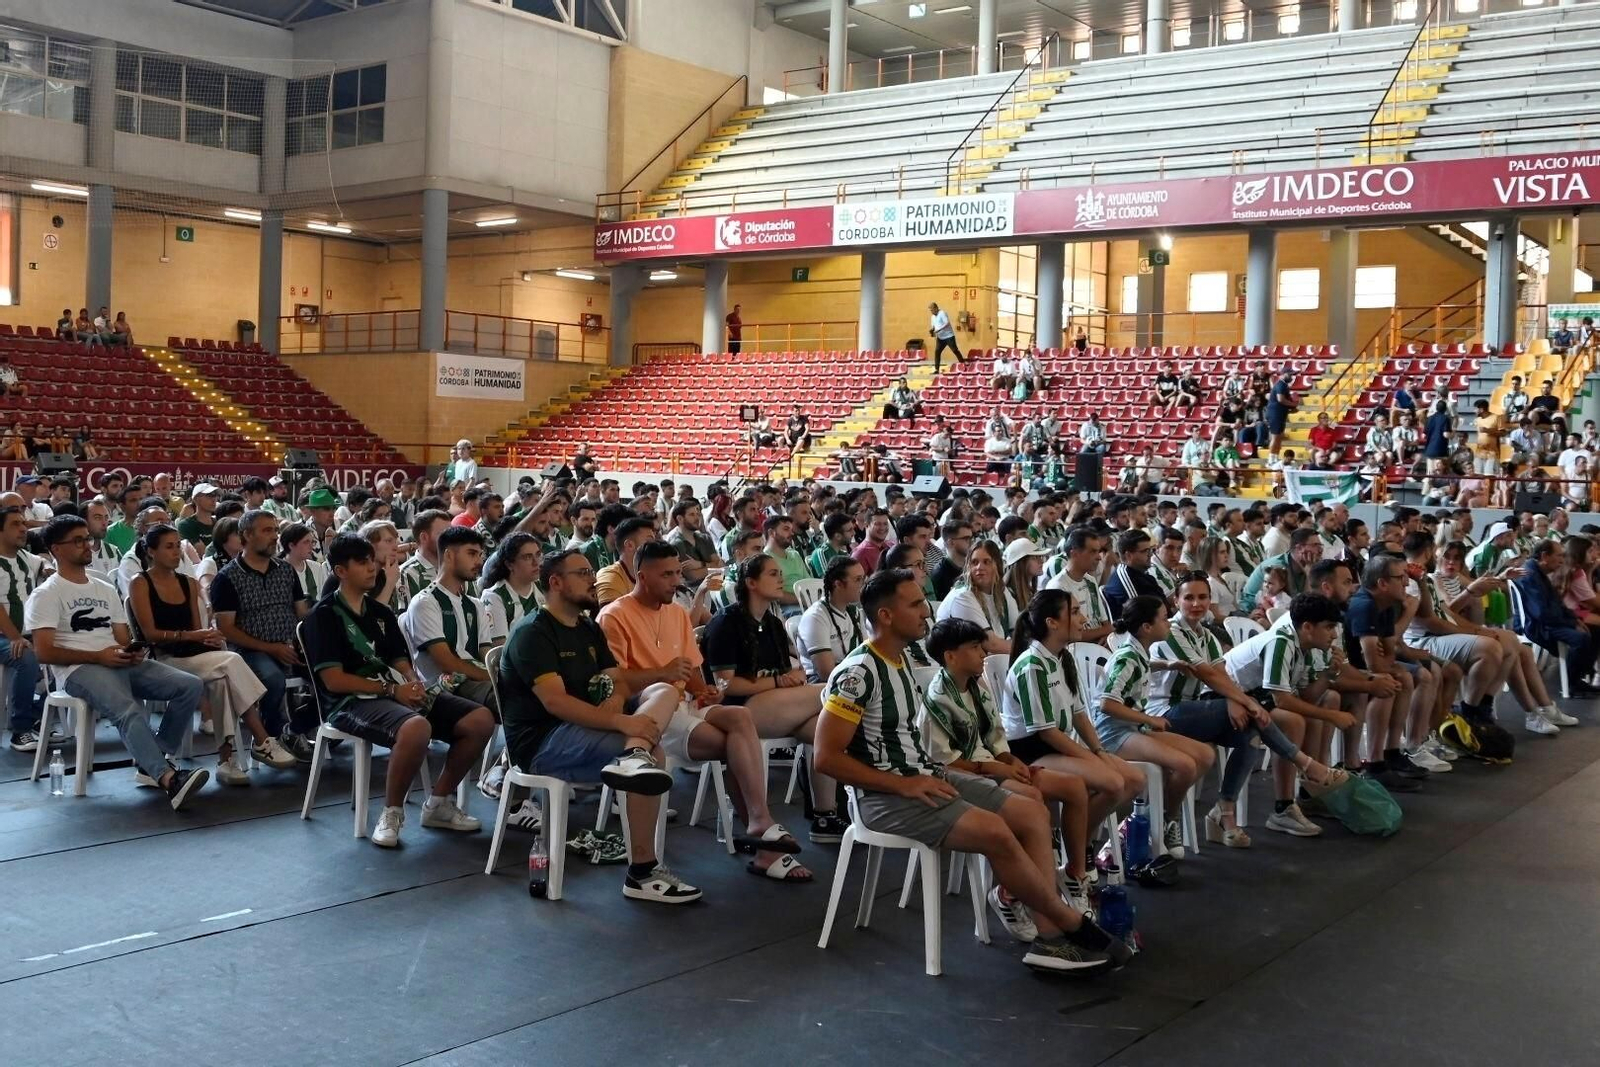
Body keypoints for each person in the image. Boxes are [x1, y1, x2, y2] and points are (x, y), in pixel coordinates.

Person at [815, 569, 1130, 973]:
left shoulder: (902, 662)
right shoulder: (859, 673)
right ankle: (1067, 926)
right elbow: (826, 758)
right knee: (997, 830)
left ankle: (1049, 934)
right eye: (914, 604)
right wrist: (902, 785)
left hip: (924, 777)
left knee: (1031, 810)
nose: (926, 610)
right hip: (885, 798)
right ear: (886, 615)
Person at [496, 548, 700, 901]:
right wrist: (620, 721)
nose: (593, 578)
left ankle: (632, 756)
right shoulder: (533, 632)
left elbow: (616, 680)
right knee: (652, 753)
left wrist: (617, 709)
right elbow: (555, 703)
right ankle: (642, 872)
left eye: (592, 571)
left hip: (589, 724)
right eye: (582, 573)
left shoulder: (587, 627)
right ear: (556, 583)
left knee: (664, 690)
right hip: (544, 740)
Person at [599, 541, 808, 881]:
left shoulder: (676, 613)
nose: (675, 581)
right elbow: (616, 683)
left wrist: (703, 690)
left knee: (740, 718)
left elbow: (692, 670)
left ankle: (759, 823)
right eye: (666, 574)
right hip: (649, 713)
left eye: (678, 573)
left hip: (686, 704)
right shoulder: (614, 616)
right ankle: (765, 842)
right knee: (733, 744)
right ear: (642, 576)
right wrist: (663, 673)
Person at [304, 534, 492, 848]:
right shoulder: (323, 617)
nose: (372, 569)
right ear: (340, 571)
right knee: (416, 727)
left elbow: (399, 658)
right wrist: (392, 689)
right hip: (349, 702)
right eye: (362, 563)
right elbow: (334, 681)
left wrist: (410, 681)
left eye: (372, 562)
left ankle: (439, 803)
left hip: (391, 692)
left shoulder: (381, 613)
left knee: (480, 720)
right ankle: (391, 813)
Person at [26, 515, 209, 809]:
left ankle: (152, 760)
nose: (88, 544)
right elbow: (44, 653)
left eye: (87, 538)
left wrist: (131, 651)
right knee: (128, 708)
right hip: (78, 669)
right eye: (78, 540)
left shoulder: (104, 588)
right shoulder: (47, 593)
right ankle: (167, 778)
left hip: (116, 659)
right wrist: (98, 656)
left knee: (190, 685)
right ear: (56, 549)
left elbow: (122, 638)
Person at [1153, 574, 1345, 846]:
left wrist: (1236, 700)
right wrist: (1246, 701)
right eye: (1189, 598)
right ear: (1176, 601)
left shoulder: (1205, 634)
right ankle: (1305, 764)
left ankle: (1225, 812)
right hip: (1163, 712)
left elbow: (1221, 673)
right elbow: (1206, 673)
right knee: (1256, 716)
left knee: (1248, 732)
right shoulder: (1173, 631)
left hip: (1197, 706)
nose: (1197, 603)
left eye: (1203, 597)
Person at [920, 617, 1094, 915]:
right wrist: (999, 769)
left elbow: (996, 739)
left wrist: (1012, 762)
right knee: (1032, 800)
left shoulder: (977, 687)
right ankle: (1010, 894)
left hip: (992, 767)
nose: (983, 654)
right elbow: (945, 762)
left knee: (1073, 786)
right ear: (950, 656)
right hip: (964, 777)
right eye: (975, 648)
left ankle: (1073, 873)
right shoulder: (937, 699)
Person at [127, 524, 299, 785]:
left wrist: (208, 637)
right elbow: (150, 634)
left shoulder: (188, 583)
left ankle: (226, 762)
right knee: (231, 661)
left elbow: (199, 632)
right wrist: (192, 636)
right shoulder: (140, 583)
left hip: (195, 655)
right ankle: (262, 739)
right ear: (151, 551)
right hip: (165, 659)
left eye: (178, 546)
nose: (176, 552)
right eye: (169, 547)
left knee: (222, 679)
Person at [704, 554, 845, 842]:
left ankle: (824, 815)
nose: (781, 579)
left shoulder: (771, 623)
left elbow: (783, 672)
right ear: (751, 583)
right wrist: (779, 681)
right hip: (736, 711)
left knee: (825, 726)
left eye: (780, 573)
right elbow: (725, 685)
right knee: (836, 692)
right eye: (772, 574)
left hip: (776, 706)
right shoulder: (726, 623)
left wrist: (790, 680)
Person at [210, 510, 316, 760]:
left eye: (276, 530)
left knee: (329, 672)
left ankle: (299, 730)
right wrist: (271, 648)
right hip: (249, 650)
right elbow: (226, 629)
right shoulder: (227, 578)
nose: (274, 537)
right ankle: (272, 735)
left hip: (290, 645)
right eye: (267, 531)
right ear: (246, 535)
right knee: (273, 678)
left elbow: (302, 612)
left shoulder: (285, 571)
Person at [1515, 538, 1600, 697]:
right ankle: (1571, 683)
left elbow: (1557, 605)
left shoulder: (1539, 572)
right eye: (1559, 556)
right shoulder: (1530, 574)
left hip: (1547, 621)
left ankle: (1577, 678)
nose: (1563, 560)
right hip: (1536, 625)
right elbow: (1541, 613)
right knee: (1580, 638)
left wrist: (1575, 620)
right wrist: (1571, 623)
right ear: (1545, 556)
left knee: (1590, 631)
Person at [0, 506, 48, 751]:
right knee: (26, 658)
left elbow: (43, 565)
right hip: (4, 636)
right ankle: (20, 730)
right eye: (15, 524)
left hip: (29, 633)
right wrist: (16, 637)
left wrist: (49, 571)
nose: (23, 529)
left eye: (23, 523)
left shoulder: (24, 557)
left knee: (74, 652)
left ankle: (39, 716)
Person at [936, 540, 1017, 655]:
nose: (980, 567)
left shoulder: (1002, 592)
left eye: (986, 562)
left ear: (998, 564)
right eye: (974, 562)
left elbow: (1018, 632)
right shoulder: (962, 596)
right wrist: (1027, 649)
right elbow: (991, 644)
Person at [797, 556, 866, 684]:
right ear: (838, 584)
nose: (863, 584)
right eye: (857, 580)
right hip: (821, 683)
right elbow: (826, 673)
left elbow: (867, 652)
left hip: (852, 675)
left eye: (863, 578)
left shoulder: (854, 612)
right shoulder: (816, 617)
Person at [1264, 366, 1298, 462]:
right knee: (1275, 437)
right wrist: (1292, 404)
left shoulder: (1284, 385)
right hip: (1275, 414)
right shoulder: (1280, 385)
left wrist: (1291, 407)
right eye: (1290, 374)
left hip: (1280, 414)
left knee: (1278, 437)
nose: (1292, 377)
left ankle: (1275, 457)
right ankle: (1270, 459)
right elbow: (1280, 399)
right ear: (1284, 374)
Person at [928, 302, 964, 371]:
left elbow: (947, 323)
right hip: (940, 338)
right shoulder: (932, 317)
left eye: (932, 310)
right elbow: (934, 326)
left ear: (936, 308)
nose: (931, 312)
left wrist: (939, 330)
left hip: (949, 336)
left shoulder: (942, 313)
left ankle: (962, 363)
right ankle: (936, 369)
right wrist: (932, 330)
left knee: (955, 350)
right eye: (930, 310)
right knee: (937, 352)